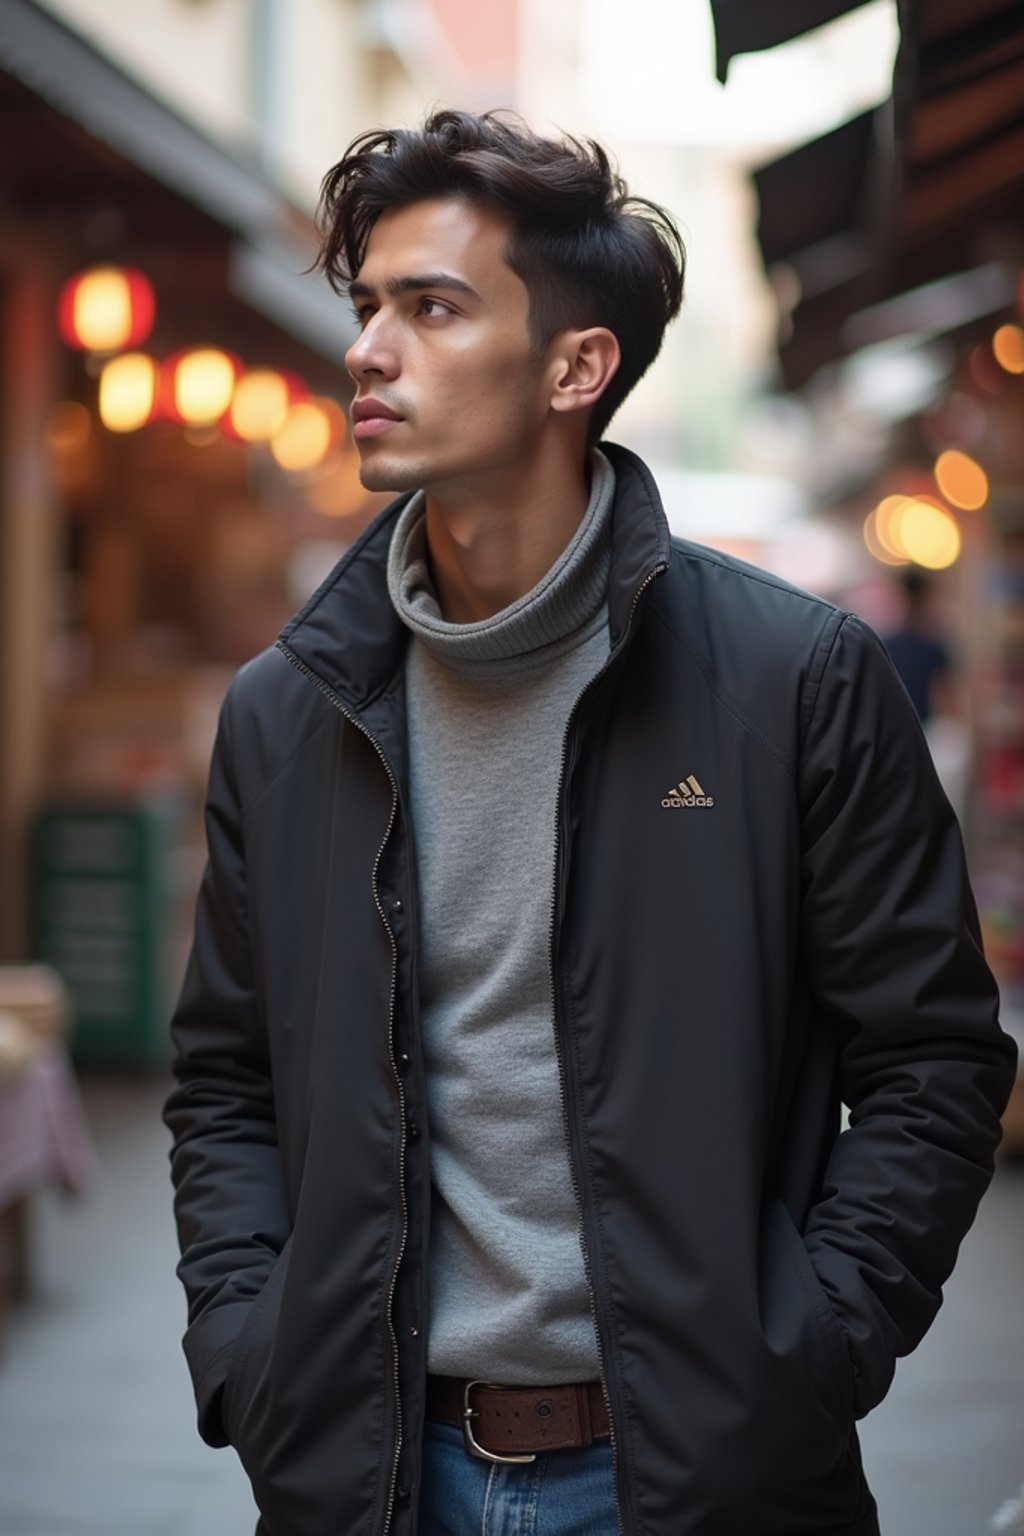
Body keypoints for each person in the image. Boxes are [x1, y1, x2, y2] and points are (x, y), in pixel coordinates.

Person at [163, 110, 1017, 1536]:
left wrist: (806, 1353)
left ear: (577, 364)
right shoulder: (287, 709)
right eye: (369, 305)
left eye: (432, 307)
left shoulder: (793, 681)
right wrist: (253, 1355)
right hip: (368, 1472)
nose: (368, 350)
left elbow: (934, 1060)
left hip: (694, 1477)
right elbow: (225, 1081)